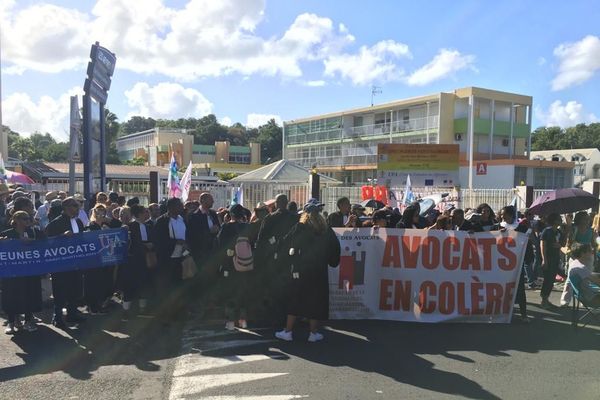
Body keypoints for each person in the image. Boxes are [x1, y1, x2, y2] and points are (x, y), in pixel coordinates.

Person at [275, 198, 341, 342]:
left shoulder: (300, 227)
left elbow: (285, 243)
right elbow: (335, 251)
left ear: (305, 213)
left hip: (300, 270)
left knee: (295, 300)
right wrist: (331, 261)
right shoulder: (325, 229)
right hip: (319, 271)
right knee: (315, 301)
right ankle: (313, 333)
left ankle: (288, 331)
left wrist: (288, 260)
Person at [256, 194, 300, 325]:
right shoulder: (294, 218)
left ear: (276, 203)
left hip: (273, 259)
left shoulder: (270, 218)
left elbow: (261, 239)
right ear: (286, 203)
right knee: (289, 288)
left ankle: (274, 316)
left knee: (273, 288)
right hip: (290, 257)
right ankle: (288, 316)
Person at [1, 211, 44, 334]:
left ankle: (28, 320)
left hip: (29, 269)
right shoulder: (7, 233)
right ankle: (11, 322)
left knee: (29, 292)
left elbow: (45, 241)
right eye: (25, 219)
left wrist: (32, 241)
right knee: (11, 294)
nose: (28, 221)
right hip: (12, 271)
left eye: (29, 218)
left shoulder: (33, 232)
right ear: (17, 220)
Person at [46, 197, 86, 329]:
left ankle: (72, 313)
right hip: (60, 263)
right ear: (66, 207)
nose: (78, 208)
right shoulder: (56, 223)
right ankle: (57, 317)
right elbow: (47, 240)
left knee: (74, 288)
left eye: (78, 205)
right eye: (75, 205)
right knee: (60, 291)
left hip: (75, 261)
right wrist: (62, 235)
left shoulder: (78, 222)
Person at [216, 204, 252, 330]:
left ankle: (230, 322)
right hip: (246, 265)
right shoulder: (248, 227)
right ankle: (243, 321)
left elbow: (219, 244)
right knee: (243, 293)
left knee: (230, 293)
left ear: (230, 214)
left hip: (230, 265)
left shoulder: (226, 227)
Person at [153, 198, 187, 320]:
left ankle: (177, 311)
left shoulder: (182, 219)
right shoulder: (162, 221)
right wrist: (175, 242)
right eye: (179, 206)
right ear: (172, 207)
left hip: (180, 257)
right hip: (167, 259)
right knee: (166, 288)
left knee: (177, 286)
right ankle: (164, 314)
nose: (182, 207)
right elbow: (159, 241)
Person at [500, 205, 530, 322]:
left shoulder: (521, 228)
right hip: (502, 264)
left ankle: (524, 314)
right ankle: (504, 313)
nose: (502, 216)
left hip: (517, 263)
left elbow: (526, 242)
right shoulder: (498, 227)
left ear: (511, 215)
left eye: (505, 214)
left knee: (520, 288)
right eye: (502, 214)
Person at [561, 211, 597, 306]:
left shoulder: (591, 230)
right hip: (576, 255)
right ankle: (565, 299)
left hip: (588, 256)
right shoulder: (574, 229)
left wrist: (595, 250)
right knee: (570, 278)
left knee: (586, 278)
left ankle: (584, 298)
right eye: (585, 218)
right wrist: (569, 232)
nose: (587, 220)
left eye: (587, 218)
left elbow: (593, 243)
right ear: (579, 219)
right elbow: (570, 243)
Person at [123, 204, 153, 317]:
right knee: (130, 285)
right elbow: (132, 243)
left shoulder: (148, 226)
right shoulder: (130, 226)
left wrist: (151, 244)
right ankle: (126, 310)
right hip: (133, 260)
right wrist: (145, 245)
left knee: (144, 284)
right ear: (139, 214)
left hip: (146, 259)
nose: (147, 213)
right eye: (145, 211)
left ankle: (142, 309)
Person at [84, 204, 112, 314]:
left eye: (103, 211)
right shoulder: (91, 225)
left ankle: (98, 305)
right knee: (92, 282)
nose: (101, 214)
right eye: (98, 211)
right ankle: (92, 306)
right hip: (93, 259)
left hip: (103, 258)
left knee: (101, 282)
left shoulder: (105, 225)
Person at [540, 213, 567, 309]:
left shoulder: (559, 231)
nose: (561, 220)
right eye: (559, 218)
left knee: (551, 280)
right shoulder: (547, 231)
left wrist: (560, 244)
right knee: (547, 279)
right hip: (548, 258)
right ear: (555, 220)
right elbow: (543, 245)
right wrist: (544, 259)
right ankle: (544, 300)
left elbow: (563, 243)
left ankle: (546, 299)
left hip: (556, 258)